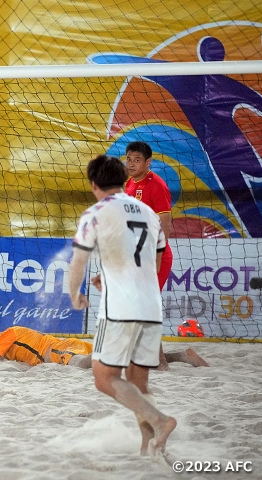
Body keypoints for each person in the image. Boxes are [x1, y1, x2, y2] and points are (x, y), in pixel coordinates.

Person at [68, 154, 177, 457]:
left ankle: (160, 420)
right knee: (138, 382)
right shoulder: (148, 212)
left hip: (120, 308)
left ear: (94, 184)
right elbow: (154, 264)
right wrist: (112, 273)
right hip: (151, 306)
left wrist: (74, 294)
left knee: (104, 378)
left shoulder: (96, 212)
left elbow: (78, 262)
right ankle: (148, 446)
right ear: (122, 179)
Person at [124, 141, 173, 370]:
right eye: (129, 159)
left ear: (148, 162)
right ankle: (155, 359)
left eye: (136, 160)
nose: (131, 163)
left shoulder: (157, 185)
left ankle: (160, 362)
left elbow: (166, 225)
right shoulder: (130, 184)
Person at [0, 326, 207, 369]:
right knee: (92, 364)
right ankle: (181, 356)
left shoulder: (7, 335)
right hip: (60, 348)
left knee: (85, 365)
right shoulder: (7, 345)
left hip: (57, 351)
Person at [0, 325, 93, 368]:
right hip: (66, 345)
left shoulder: (6, 335)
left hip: (55, 350)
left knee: (82, 364)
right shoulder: (5, 349)